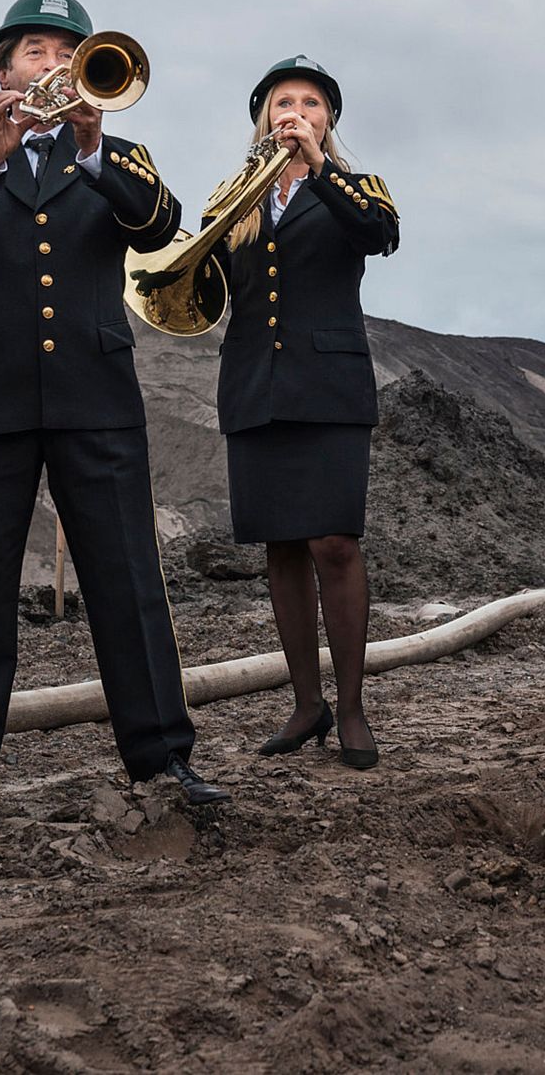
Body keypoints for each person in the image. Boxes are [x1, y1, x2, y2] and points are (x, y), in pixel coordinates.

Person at [0, 0, 225, 827]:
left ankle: (164, 759)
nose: (53, 64)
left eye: (66, 54)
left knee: (129, 582)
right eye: (35, 52)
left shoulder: (120, 156)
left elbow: (160, 227)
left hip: (96, 395)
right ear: (4, 70)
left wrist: (95, 146)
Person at [216, 56, 399, 768]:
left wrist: (320, 165)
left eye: (311, 103)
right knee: (282, 547)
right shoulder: (237, 197)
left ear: (328, 119)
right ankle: (305, 704)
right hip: (254, 385)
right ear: (263, 116)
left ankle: (351, 708)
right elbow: (205, 284)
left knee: (335, 544)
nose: (295, 111)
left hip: (328, 386)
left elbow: (378, 233)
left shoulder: (355, 187)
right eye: (283, 102)